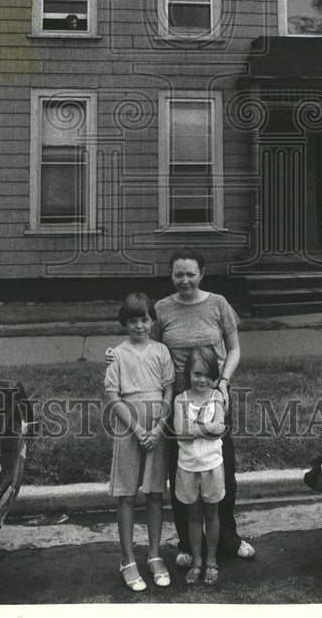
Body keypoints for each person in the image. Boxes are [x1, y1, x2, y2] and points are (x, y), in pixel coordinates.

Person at [150, 248, 255, 566]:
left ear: (202, 274)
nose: (184, 280)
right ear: (171, 275)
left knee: (222, 467)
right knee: (181, 470)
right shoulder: (162, 308)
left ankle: (228, 538)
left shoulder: (219, 304)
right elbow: (151, 348)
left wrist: (223, 382)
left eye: (190, 274)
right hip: (179, 401)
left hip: (215, 397)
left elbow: (234, 348)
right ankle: (186, 543)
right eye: (178, 274)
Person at [104, 292, 175, 592]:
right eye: (132, 320)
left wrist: (158, 428)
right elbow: (113, 396)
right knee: (126, 493)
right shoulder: (117, 354)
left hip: (157, 427)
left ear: (152, 321)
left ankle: (155, 554)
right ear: (125, 323)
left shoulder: (161, 351)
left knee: (155, 491)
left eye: (144, 319)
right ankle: (128, 559)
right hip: (128, 428)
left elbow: (169, 390)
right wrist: (135, 428)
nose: (139, 326)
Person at [173, 347, 226, 586]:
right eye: (196, 374)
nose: (201, 379)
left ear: (214, 376)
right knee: (193, 515)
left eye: (207, 374)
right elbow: (180, 434)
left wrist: (194, 429)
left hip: (212, 465)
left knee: (212, 513)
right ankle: (197, 561)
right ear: (188, 374)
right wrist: (206, 429)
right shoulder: (180, 400)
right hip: (187, 466)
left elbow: (220, 428)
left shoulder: (217, 397)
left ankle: (212, 561)